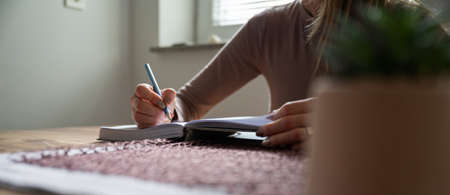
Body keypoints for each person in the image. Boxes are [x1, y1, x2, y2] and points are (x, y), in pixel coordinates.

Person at [130, 0, 422, 148]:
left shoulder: (408, 22)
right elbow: (190, 103)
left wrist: (351, 127)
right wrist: (164, 112)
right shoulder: (267, 27)